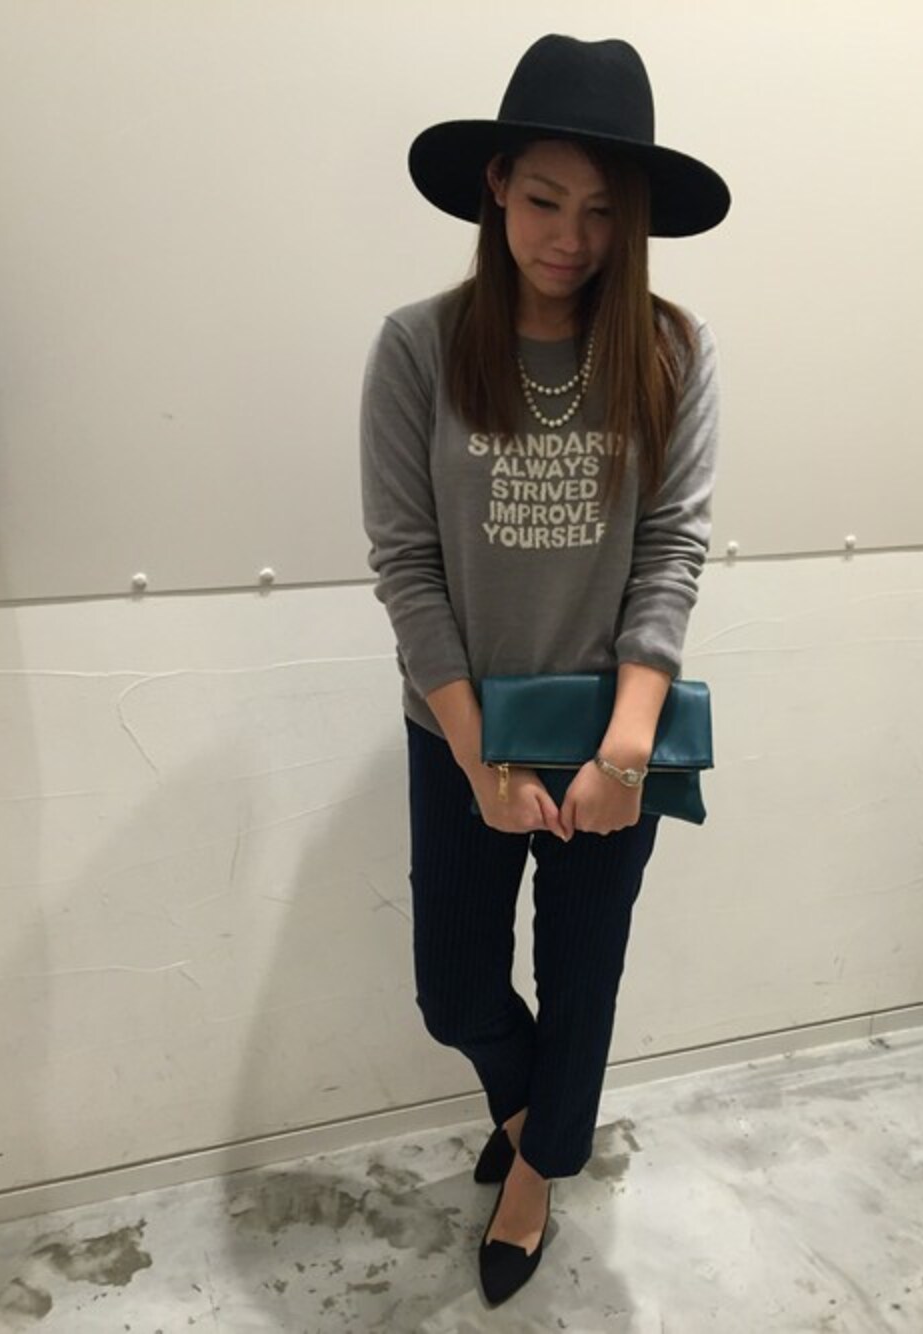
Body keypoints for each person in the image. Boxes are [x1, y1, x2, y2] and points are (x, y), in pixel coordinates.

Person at [359, 33, 730, 1306]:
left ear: (635, 221)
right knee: (455, 985)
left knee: (581, 976)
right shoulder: (420, 347)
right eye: (543, 200)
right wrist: (479, 759)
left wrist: (623, 753)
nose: (571, 238)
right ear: (495, 189)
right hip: (457, 725)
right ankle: (537, 1116)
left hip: (611, 728)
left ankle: (535, 1171)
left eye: (602, 212)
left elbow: (670, 553)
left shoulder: (672, 350)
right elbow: (407, 565)